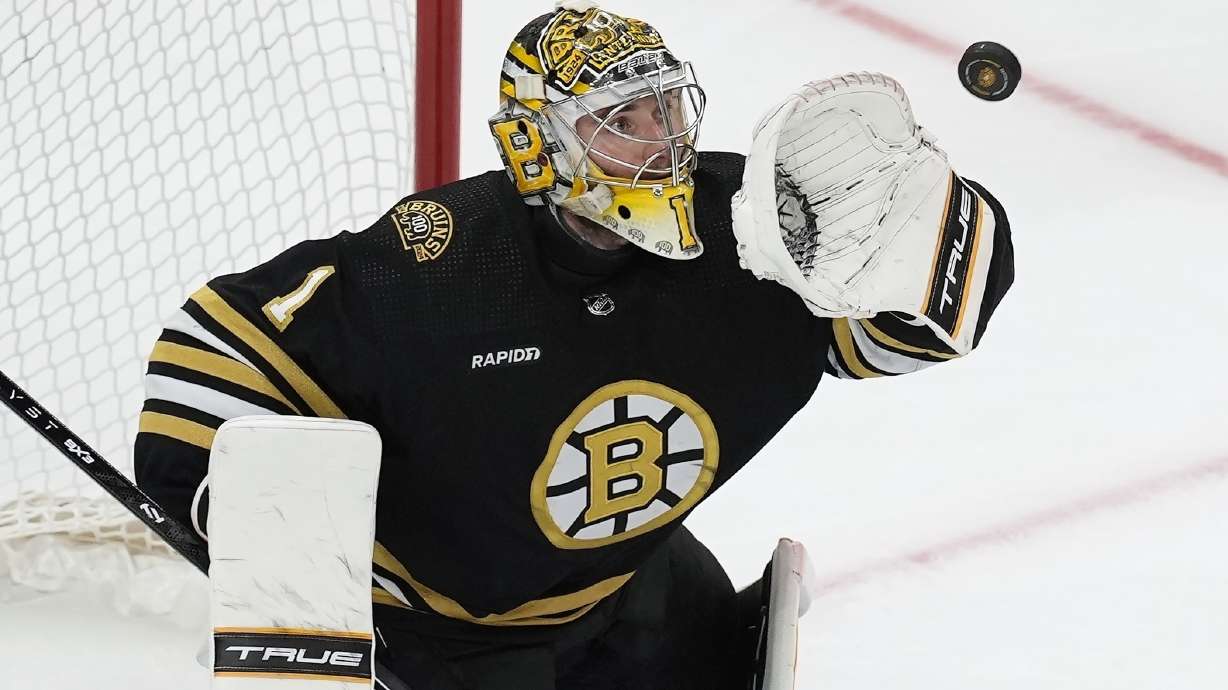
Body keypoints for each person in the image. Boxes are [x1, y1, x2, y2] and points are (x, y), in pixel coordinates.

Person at [134, 2, 1015, 688]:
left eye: (668, 108)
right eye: (621, 120)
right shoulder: (440, 262)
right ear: (536, 146)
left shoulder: (746, 228)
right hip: (449, 634)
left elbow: (883, 340)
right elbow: (220, 341)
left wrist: (938, 244)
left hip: (634, 588)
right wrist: (260, 542)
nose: (663, 142)